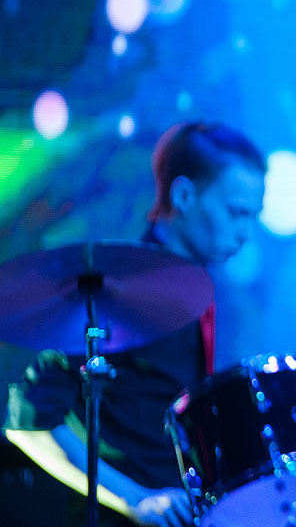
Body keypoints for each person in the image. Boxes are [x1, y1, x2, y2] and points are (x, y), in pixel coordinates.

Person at [5, 121, 266, 527]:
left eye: (254, 216)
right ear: (183, 195)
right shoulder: (117, 291)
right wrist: (135, 500)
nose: (247, 233)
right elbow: (29, 424)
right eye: (236, 213)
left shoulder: (210, 297)